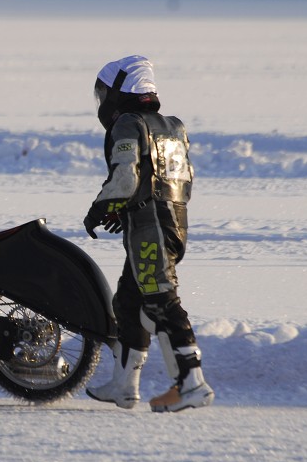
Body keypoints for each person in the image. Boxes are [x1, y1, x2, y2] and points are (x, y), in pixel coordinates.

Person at [82, 56, 214, 412]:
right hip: (174, 222)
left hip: (149, 228)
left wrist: (100, 208)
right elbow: (170, 178)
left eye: (104, 93)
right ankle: (124, 385)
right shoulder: (174, 126)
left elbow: (126, 176)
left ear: (119, 91)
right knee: (129, 302)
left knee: (161, 301)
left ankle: (192, 383)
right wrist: (125, 206)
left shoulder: (128, 123)